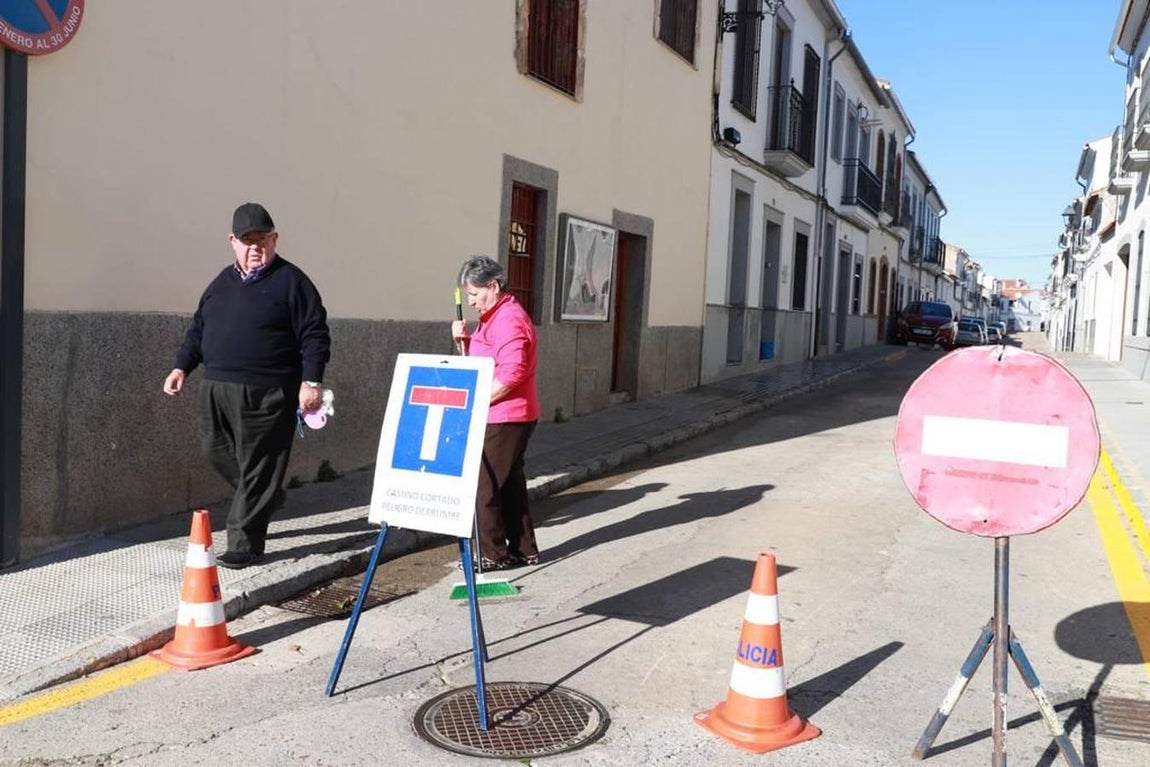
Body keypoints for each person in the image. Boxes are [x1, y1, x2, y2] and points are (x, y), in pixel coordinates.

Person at [162, 202, 331, 569]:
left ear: (275, 239)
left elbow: (315, 334)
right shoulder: (220, 282)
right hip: (217, 387)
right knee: (215, 450)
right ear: (232, 242)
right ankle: (264, 495)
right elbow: (198, 329)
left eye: (263, 239)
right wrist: (181, 367)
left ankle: (244, 544)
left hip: (268, 390)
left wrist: (312, 381)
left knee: (259, 464)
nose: (255, 247)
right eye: (247, 240)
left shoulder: (293, 282)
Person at [452, 255, 540, 570]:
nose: (472, 301)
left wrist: (479, 400)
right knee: (511, 484)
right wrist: (462, 340)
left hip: (506, 415)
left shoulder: (508, 318)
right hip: (506, 414)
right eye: (468, 295)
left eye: (475, 294)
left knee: (483, 484)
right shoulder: (493, 316)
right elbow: (479, 363)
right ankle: (523, 549)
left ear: (493, 285)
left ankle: (491, 555)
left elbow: (513, 372)